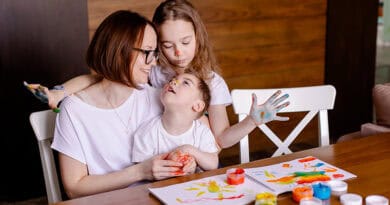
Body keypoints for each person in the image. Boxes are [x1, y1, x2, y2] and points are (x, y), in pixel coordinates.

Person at [30, 0, 289, 151]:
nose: (178, 53)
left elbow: (220, 139)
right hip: (146, 159)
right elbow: (99, 78)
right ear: (156, 43)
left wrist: (252, 122)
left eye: (186, 41)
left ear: (198, 36)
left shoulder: (212, 82)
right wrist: (60, 92)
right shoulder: (150, 71)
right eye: (167, 45)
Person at [50, 10, 196, 199]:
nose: (152, 63)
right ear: (119, 51)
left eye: (155, 53)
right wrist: (140, 172)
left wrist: (183, 163)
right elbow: (74, 187)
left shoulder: (159, 98)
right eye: (146, 52)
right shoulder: (74, 110)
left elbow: (189, 141)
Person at [132, 72, 219, 171]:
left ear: (197, 106)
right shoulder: (146, 133)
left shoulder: (202, 132)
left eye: (186, 83)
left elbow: (213, 164)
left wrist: (189, 150)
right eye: (171, 80)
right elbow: (143, 171)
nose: (173, 82)